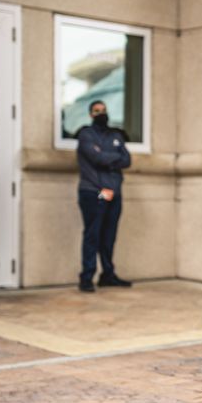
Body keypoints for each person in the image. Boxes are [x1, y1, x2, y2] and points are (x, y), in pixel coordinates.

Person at [76, 99, 133, 292]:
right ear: (91, 114)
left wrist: (106, 156)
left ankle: (108, 274)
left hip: (114, 192)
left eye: (104, 110)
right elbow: (96, 158)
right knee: (93, 233)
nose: (101, 113)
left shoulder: (115, 135)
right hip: (96, 192)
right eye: (97, 111)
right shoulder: (86, 134)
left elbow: (127, 160)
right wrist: (112, 157)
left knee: (109, 235)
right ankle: (87, 277)